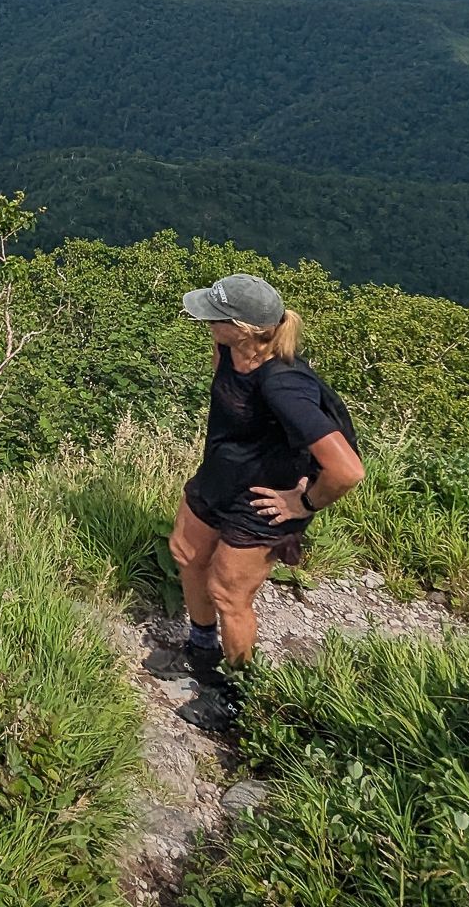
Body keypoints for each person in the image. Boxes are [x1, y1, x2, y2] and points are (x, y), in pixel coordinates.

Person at [166, 273, 365, 715]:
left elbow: (348, 470)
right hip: (222, 475)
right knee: (186, 552)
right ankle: (201, 652)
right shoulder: (228, 346)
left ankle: (238, 697)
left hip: (265, 497)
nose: (205, 322)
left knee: (228, 593)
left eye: (215, 316)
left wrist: (304, 502)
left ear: (246, 328)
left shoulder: (283, 384)